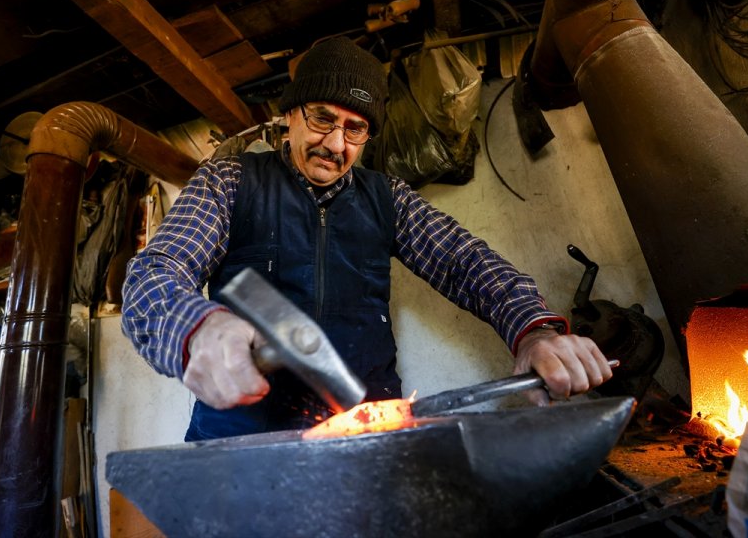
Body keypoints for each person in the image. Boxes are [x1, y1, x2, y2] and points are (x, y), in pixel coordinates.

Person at [121, 37, 613, 441]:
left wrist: (534, 330)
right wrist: (195, 329)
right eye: (322, 119)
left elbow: (468, 264)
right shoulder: (229, 182)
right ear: (290, 115)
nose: (336, 145)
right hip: (239, 442)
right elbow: (156, 273)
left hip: (364, 433)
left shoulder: (388, 199)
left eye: (355, 129)